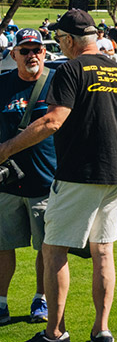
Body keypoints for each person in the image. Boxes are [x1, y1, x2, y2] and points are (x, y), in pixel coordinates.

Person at [1, 10, 117, 342]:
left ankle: (55, 334)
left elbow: (52, 121)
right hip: (116, 174)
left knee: (54, 249)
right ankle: (102, 333)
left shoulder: (70, 69)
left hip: (78, 174)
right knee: (102, 251)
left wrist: (5, 149)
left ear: (68, 40)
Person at [0, 29, 54, 326]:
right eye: (25, 50)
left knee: (46, 248)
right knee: (2, 245)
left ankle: (41, 300)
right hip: (6, 183)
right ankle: (1, 303)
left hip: (45, 180)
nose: (32, 54)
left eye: (37, 49)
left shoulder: (57, 83)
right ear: (13, 54)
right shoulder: (3, 84)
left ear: (44, 52)